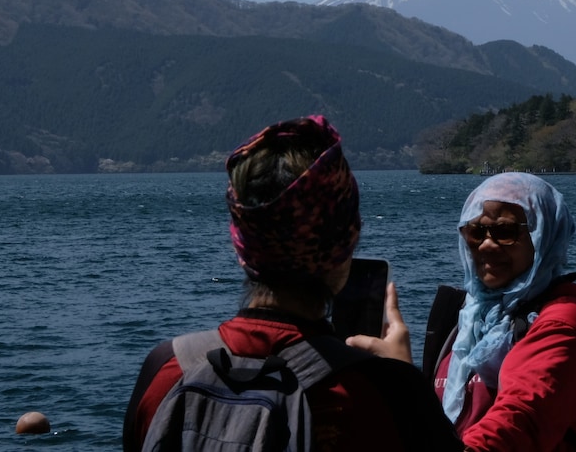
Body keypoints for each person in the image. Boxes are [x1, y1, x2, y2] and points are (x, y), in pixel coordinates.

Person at [122, 115, 462, 452]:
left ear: (241, 245)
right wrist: (403, 376)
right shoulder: (383, 391)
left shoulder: (166, 369)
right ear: (346, 242)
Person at [352, 172, 576, 452]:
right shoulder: (469, 318)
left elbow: (510, 433)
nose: (486, 244)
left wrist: (402, 379)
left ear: (543, 234)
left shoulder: (562, 325)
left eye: (505, 232)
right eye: (475, 232)